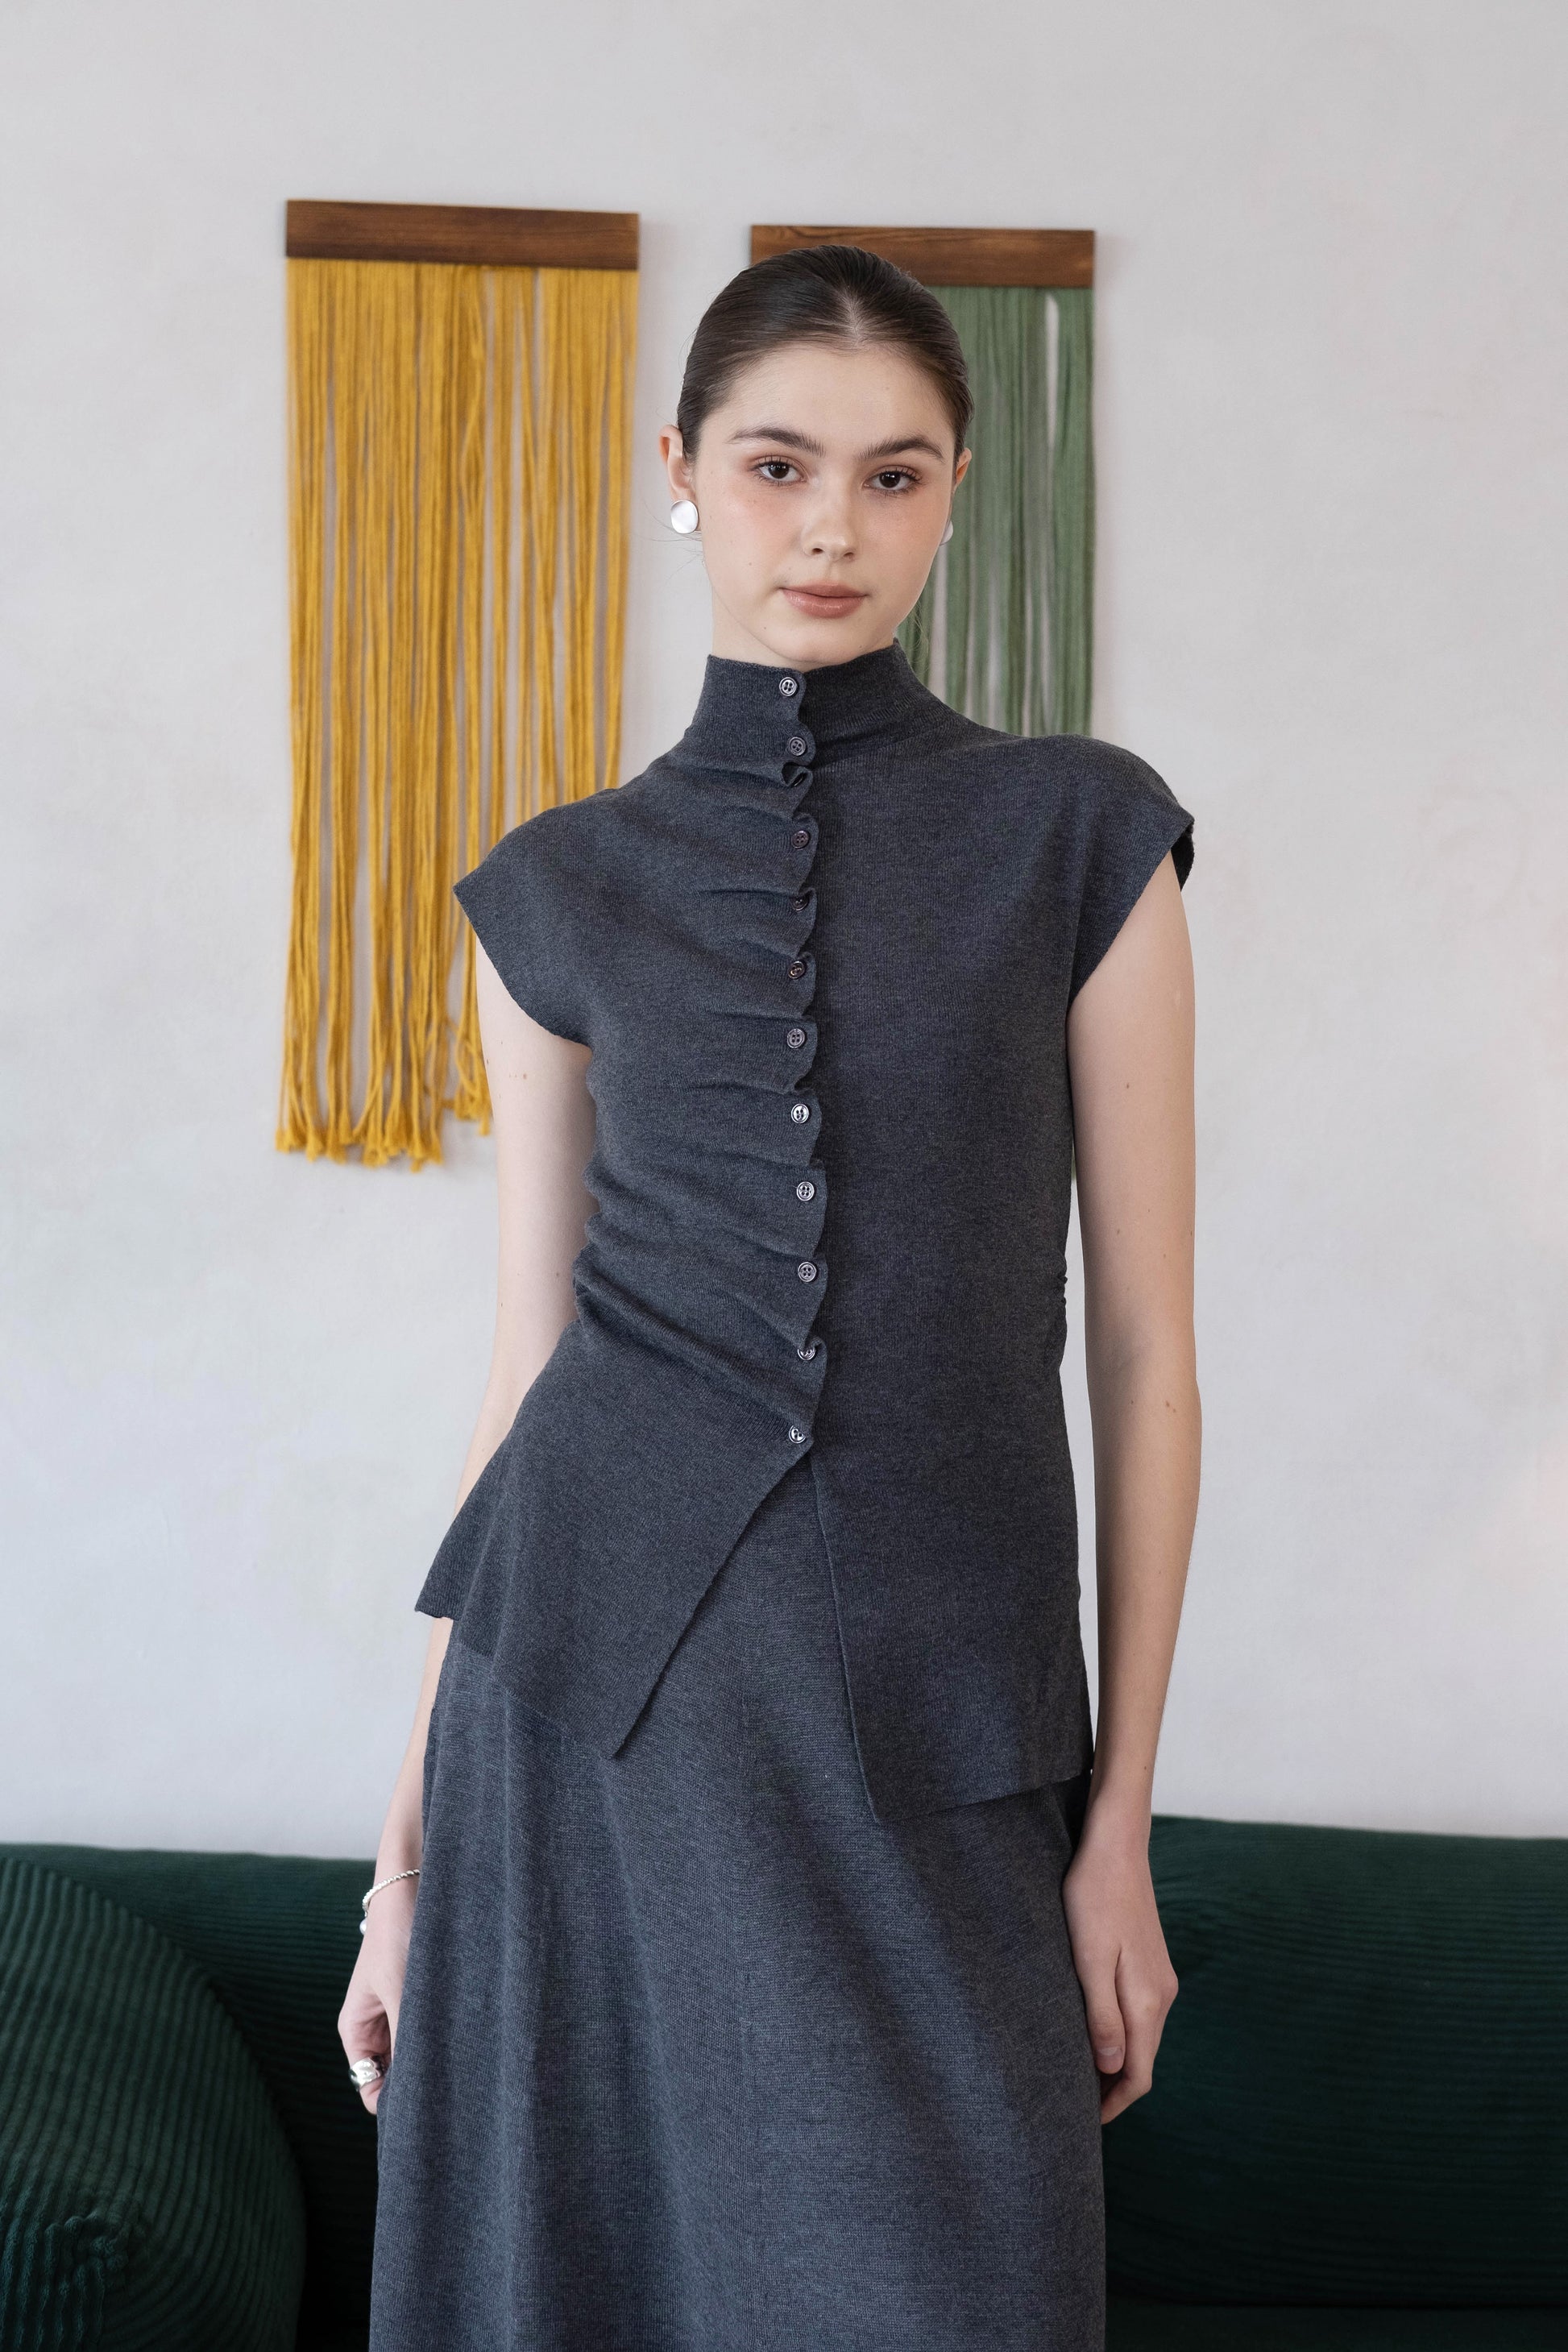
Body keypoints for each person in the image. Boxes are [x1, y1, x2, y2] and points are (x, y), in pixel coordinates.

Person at [344, 242, 1200, 2351]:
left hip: (946, 1709)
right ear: (681, 471)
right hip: (584, 1713)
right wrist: (401, 1858)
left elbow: (1148, 1352)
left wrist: (1117, 1832)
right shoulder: (557, 887)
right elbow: (531, 1364)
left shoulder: (1077, 836)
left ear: (955, 491)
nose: (831, 526)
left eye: (893, 475)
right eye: (777, 464)